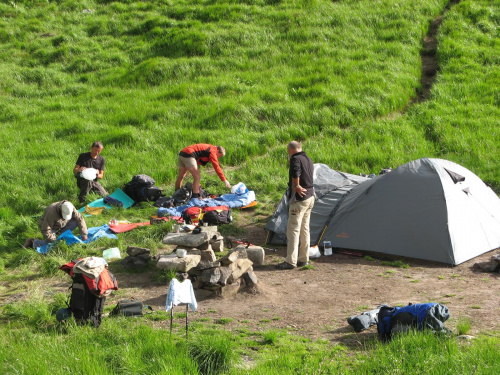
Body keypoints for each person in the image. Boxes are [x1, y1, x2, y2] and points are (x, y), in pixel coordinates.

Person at [276, 141, 315, 270]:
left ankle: (290, 261)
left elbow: (296, 171)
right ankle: (304, 259)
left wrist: (297, 185)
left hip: (299, 199)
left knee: (293, 229)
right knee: (305, 228)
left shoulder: (295, 159)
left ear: (290, 150)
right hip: (310, 197)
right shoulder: (307, 158)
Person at [23, 201, 88, 249]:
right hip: (49, 226)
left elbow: (80, 219)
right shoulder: (51, 212)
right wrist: (53, 240)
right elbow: (45, 229)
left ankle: (59, 235)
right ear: (60, 209)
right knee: (52, 244)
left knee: (75, 222)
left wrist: (84, 234)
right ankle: (32, 242)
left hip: (62, 223)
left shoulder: (70, 207)